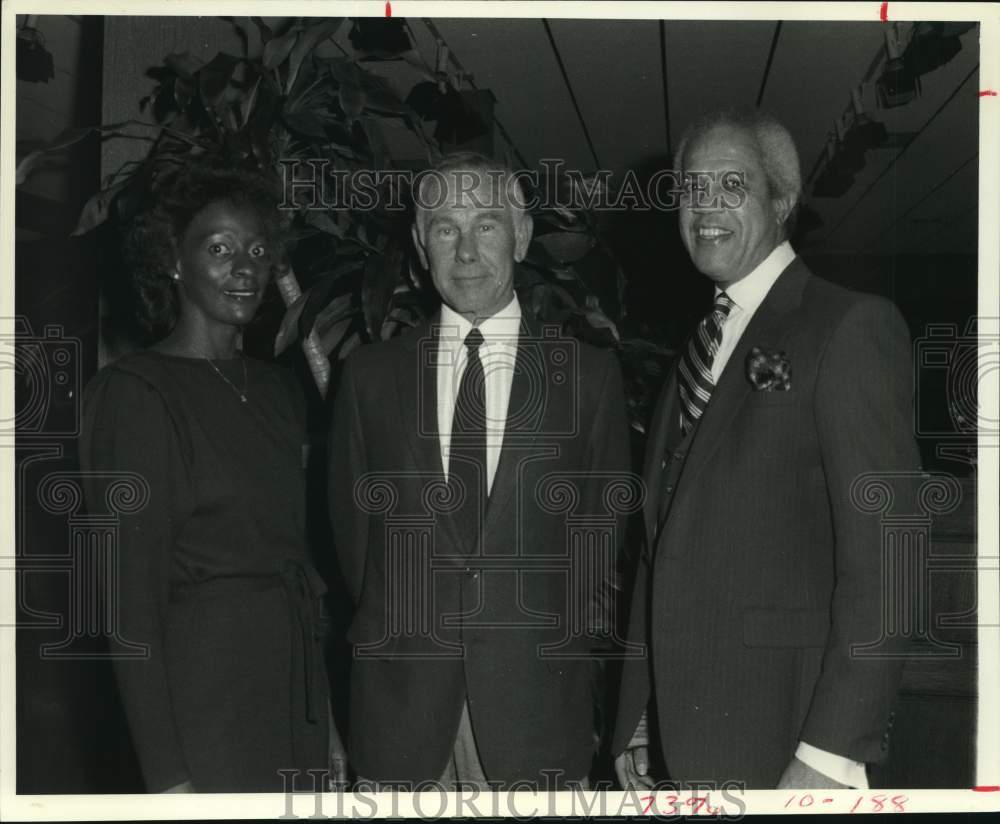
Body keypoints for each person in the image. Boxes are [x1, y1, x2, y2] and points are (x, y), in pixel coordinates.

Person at [613, 109, 921, 790]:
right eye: (693, 189)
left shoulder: (848, 326)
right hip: (682, 741)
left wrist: (830, 754)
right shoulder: (690, 358)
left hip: (792, 743)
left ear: (782, 202)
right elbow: (660, 546)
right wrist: (639, 714)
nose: (706, 206)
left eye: (732, 185)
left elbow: (891, 559)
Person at [328, 152, 633, 789]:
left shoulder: (587, 377)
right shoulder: (369, 378)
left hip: (535, 706)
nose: (465, 251)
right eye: (445, 229)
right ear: (419, 244)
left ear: (521, 236)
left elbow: (599, 542)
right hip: (401, 709)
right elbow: (355, 548)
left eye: (486, 225)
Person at [79, 160, 345, 792]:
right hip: (206, 705)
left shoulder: (281, 390)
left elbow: (300, 570)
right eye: (220, 248)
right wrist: (168, 777)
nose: (245, 267)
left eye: (257, 249)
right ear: (174, 260)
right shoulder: (138, 391)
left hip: (293, 696)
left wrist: (330, 727)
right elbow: (128, 607)